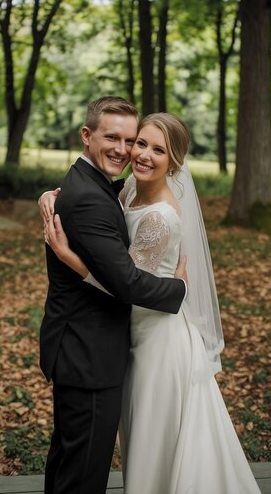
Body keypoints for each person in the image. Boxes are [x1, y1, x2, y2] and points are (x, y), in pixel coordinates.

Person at [41, 112, 262, 494]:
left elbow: (125, 285)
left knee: (157, 441)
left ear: (174, 162)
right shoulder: (128, 189)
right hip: (130, 335)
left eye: (156, 150)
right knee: (135, 439)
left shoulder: (161, 216)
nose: (139, 154)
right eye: (140, 143)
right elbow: (93, 197)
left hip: (158, 339)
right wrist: (51, 195)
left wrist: (69, 258)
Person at [39, 97, 187, 494]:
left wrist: (51, 196)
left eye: (130, 139)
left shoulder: (94, 186)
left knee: (71, 462)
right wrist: (179, 289)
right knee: (82, 474)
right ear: (87, 136)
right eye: (112, 138)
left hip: (89, 347)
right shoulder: (89, 197)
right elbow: (127, 284)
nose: (124, 150)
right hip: (89, 354)